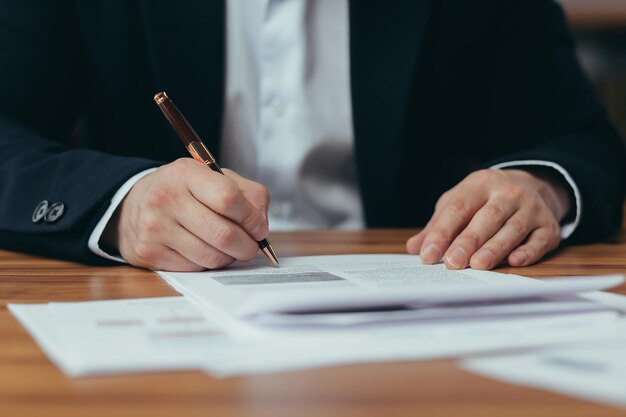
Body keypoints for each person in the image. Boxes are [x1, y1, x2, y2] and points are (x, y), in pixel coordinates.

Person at [0, 0, 624, 272]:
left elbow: (576, 137)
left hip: (421, 304)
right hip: (150, 307)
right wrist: (122, 204)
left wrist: (539, 186)